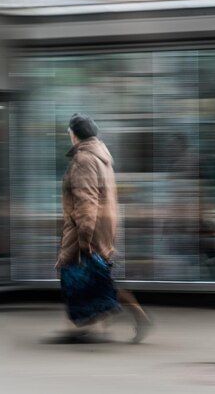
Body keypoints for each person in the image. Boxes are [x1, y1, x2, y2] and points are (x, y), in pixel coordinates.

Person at [55, 113, 151, 343]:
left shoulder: (84, 160)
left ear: (74, 134)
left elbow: (86, 201)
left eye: (70, 132)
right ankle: (91, 327)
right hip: (104, 227)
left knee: (80, 276)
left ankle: (86, 326)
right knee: (98, 277)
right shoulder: (101, 156)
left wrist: (84, 240)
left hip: (89, 230)